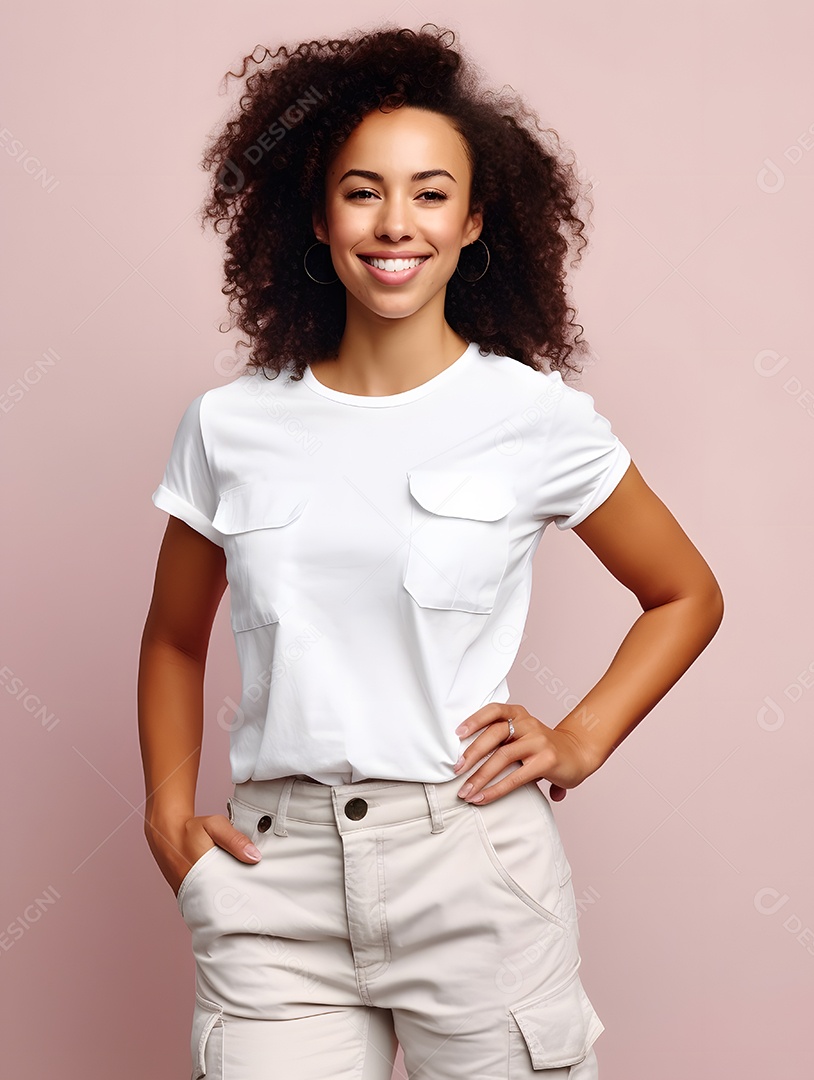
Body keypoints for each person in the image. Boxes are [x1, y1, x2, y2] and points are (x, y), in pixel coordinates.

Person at [138, 23, 724, 1080]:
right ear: (315, 219)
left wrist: (580, 738)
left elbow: (683, 592)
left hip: (472, 868)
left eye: (429, 192)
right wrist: (167, 818)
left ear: (474, 217)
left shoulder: (533, 418)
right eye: (361, 191)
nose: (394, 223)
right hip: (275, 879)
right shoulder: (229, 426)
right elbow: (174, 641)